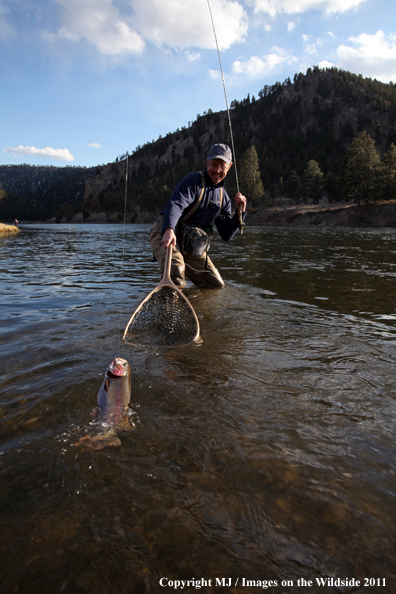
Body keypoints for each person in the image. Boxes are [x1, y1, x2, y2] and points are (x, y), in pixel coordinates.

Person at [150, 143, 247, 289]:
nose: (217, 170)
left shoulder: (223, 198)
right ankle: (168, 307)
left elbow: (226, 234)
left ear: (230, 166)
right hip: (167, 234)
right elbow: (176, 204)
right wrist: (168, 229)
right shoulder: (193, 181)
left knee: (215, 285)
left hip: (192, 244)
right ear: (207, 162)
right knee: (175, 275)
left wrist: (240, 213)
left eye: (222, 166)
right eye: (214, 164)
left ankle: (198, 306)